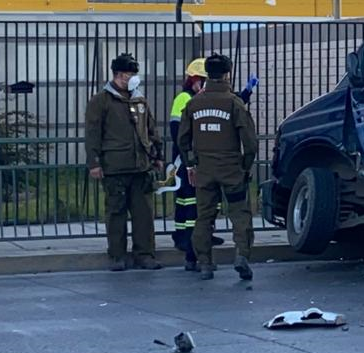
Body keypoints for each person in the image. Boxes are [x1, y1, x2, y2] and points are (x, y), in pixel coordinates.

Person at [177, 53, 259, 281]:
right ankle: (241, 255)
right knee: (240, 215)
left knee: (204, 217)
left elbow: (182, 139)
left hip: (204, 171)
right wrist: (244, 165)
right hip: (231, 169)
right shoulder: (234, 103)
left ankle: (204, 263)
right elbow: (250, 142)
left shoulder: (194, 104)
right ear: (227, 74)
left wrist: (191, 163)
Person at [85, 53, 164, 272]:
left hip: (141, 166)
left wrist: (157, 155)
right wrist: (94, 163)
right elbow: (93, 134)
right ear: (119, 75)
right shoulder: (101, 100)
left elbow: (151, 129)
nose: (132, 79)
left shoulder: (139, 99)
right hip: (115, 167)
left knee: (144, 215)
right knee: (116, 213)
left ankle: (145, 254)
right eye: (129, 75)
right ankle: (117, 255)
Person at [169, 58, 221, 271]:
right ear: (194, 81)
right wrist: (188, 159)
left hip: (199, 160)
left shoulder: (202, 99)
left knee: (198, 205)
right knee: (189, 204)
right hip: (187, 160)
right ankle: (188, 242)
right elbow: (177, 132)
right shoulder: (184, 98)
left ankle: (195, 240)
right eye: (203, 81)